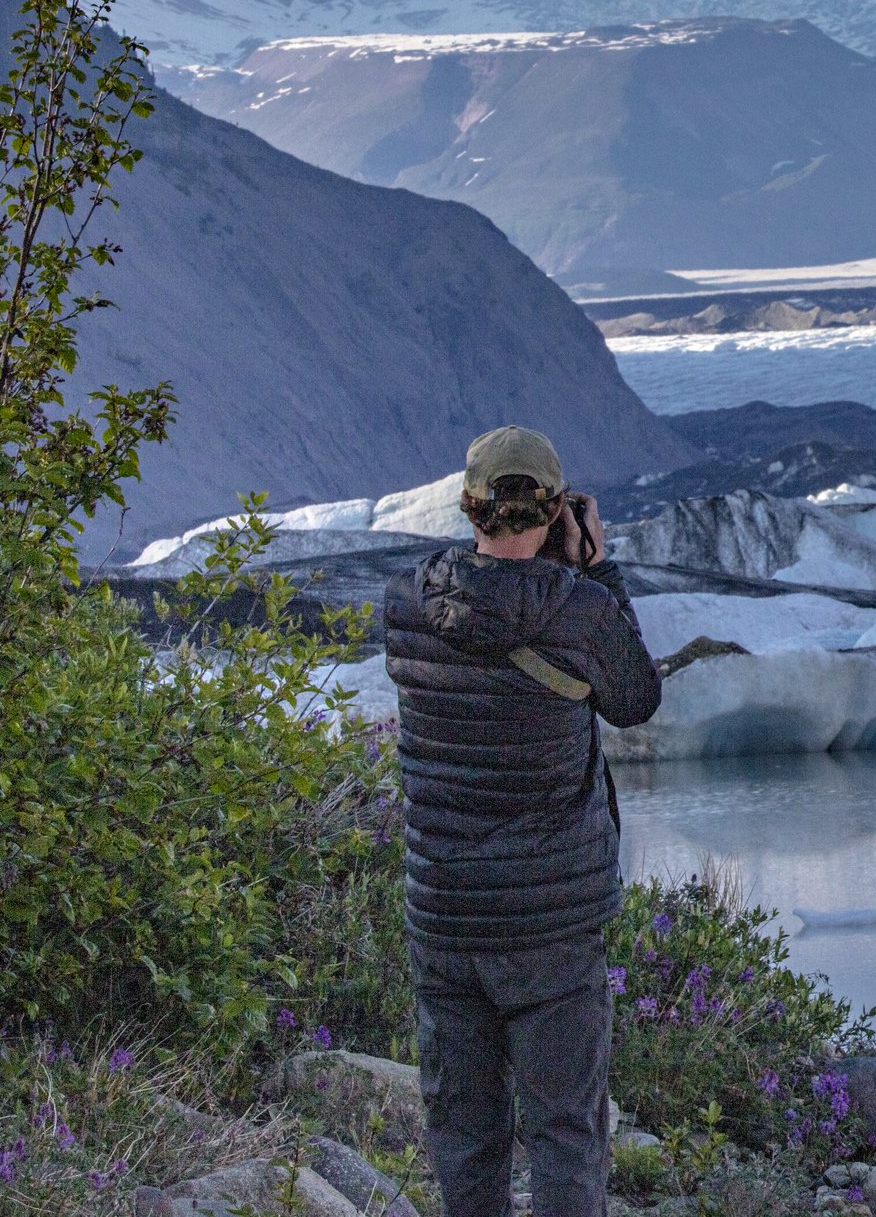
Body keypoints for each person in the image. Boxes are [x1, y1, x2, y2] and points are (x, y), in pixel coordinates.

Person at [384, 425, 663, 1217]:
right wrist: (597, 567)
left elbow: (478, 621)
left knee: (465, 1133)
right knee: (565, 1135)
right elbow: (636, 696)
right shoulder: (578, 610)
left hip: (445, 918)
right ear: (555, 510)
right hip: (549, 925)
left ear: (470, 506)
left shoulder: (406, 601)